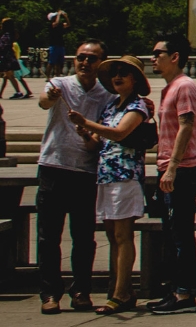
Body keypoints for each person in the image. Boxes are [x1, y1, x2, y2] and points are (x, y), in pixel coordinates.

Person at [67, 55, 153, 315]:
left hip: (125, 175)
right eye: (115, 72)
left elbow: (119, 134)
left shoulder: (138, 106)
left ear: (134, 79)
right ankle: (120, 289)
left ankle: (121, 292)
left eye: (123, 73)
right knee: (112, 237)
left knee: (122, 236)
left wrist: (86, 123)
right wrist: (85, 134)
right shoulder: (110, 107)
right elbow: (97, 143)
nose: (117, 77)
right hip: (106, 176)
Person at [35, 39, 112, 314]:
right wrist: (51, 96)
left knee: (83, 237)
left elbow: (102, 139)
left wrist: (89, 137)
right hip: (54, 166)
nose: (85, 63)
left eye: (92, 58)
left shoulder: (107, 95)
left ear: (101, 62)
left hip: (85, 171)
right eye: (81, 57)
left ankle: (81, 290)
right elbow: (44, 102)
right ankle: (49, 293)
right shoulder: (61, 84)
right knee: (48, 237)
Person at [148, 34, 196, 314]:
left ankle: (184, 295)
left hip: (181, 170)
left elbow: (186, 125)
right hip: (169, 168)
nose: (153, 58)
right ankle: (175, 290)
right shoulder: (168, 88)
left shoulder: (184, 86)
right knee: (173, 234)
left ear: (175, 57)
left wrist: (172, 167)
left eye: (158, 53)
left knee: (180, 233)